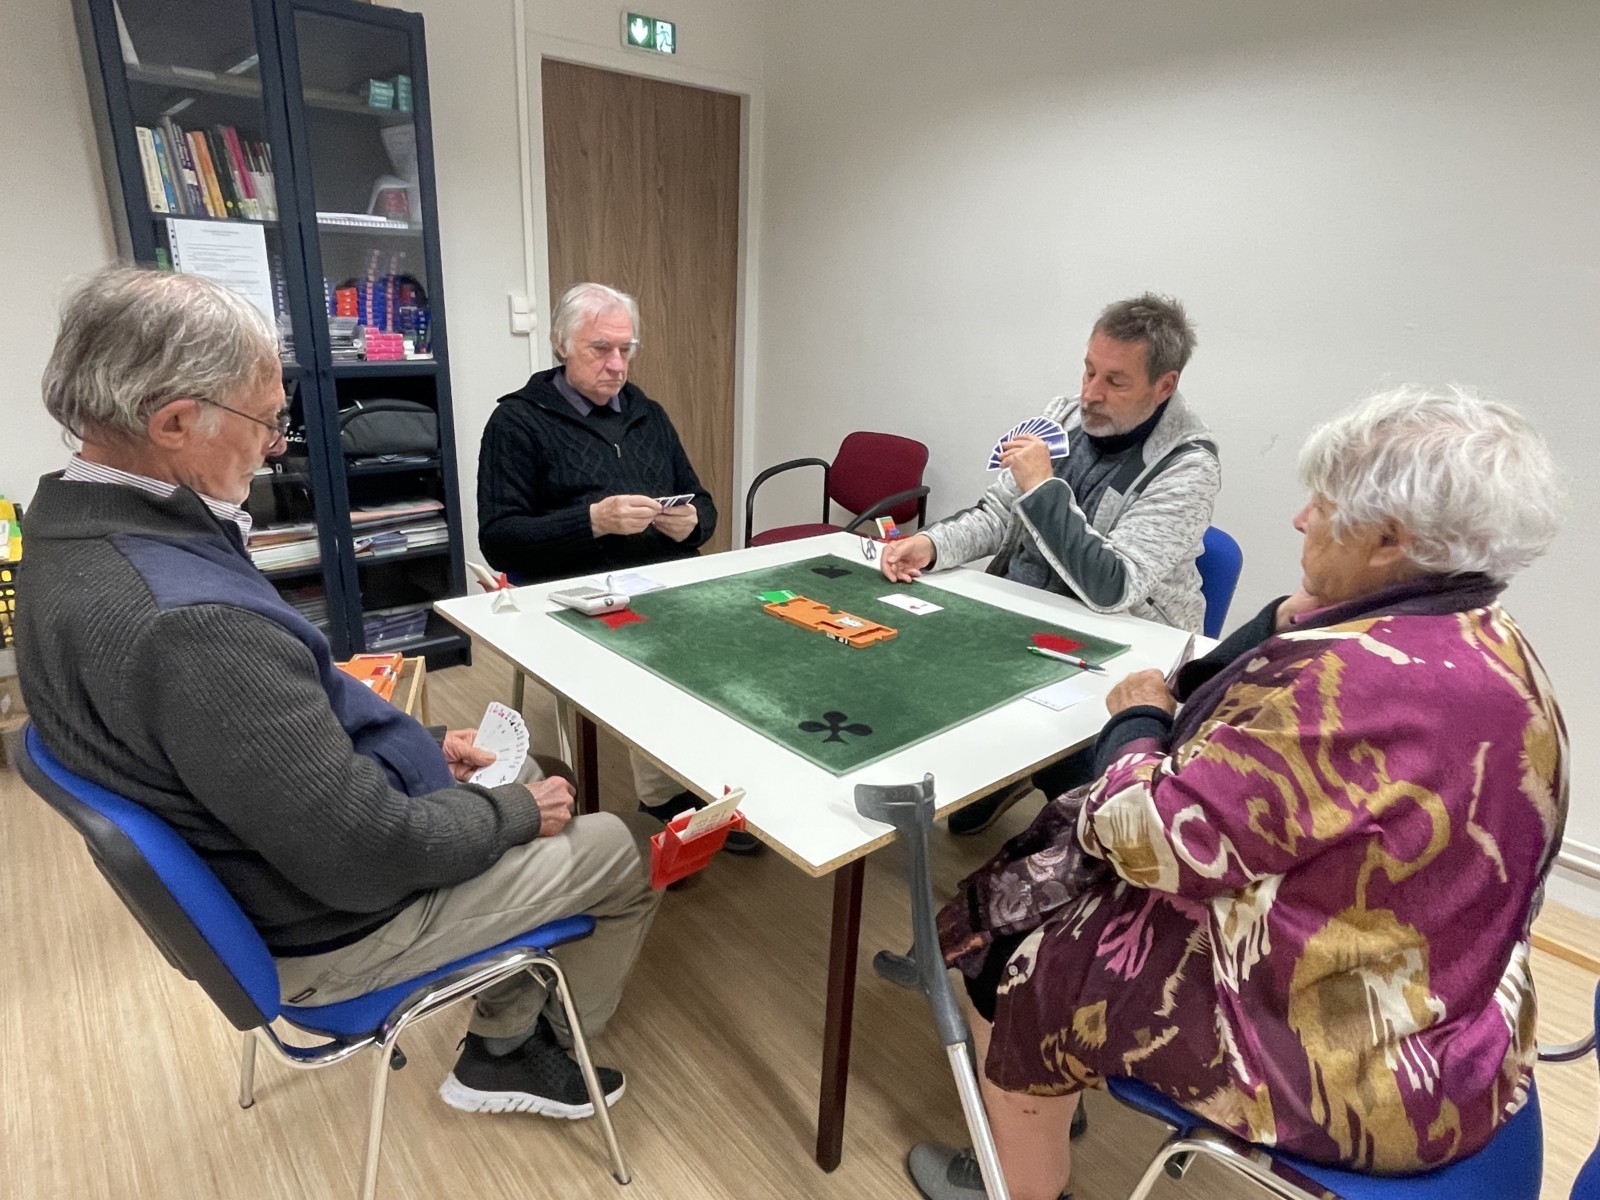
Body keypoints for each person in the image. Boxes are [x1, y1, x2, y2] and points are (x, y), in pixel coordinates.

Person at [18, 267, 661, 1121]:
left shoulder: (65, 532)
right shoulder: (190, 623)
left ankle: (506, 991)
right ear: (172, 422)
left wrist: (420, 749)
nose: (275, 446)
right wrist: (507, 815)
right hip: (329, 924)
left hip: (277, 853)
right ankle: (508, 1053)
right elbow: (363, 855)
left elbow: (266, 737)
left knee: (537, 768)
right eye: (266, 420)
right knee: (625, 844)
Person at [907, 386, 1568, 1200]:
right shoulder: (1498, 644)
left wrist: (1137, 719)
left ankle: (1018, 1176)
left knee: (1011, 944)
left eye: (1323, 504)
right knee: (1039, 880)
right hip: (1454, 1015)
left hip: (1349, 1060)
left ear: (1391, 541)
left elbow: (1144, 837)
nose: (1300, 519)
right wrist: (1286, 618)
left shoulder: (1351, 680)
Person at [883, 294, 1221, 836]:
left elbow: (1113, 586)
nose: (1090, 394)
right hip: (1024, 616)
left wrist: (1042, 487)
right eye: (1089, 370)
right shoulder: (1062, 417)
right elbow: (998, 514)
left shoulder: (1189, 466)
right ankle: (1008, 767)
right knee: (908, 659)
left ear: (1164, 386)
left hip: (1117, 641)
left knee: (1082, 821)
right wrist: (931, 544)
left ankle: (1046, 780)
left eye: (1115, 381)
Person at [477, 282, 758, 853]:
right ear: (561, 344)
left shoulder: (648, 414)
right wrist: (593, 521)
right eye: (600, 349)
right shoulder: (516, 423)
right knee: (651, 657)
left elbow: (702, 505)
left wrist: (692, 524)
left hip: (663, 576)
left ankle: (715, 775)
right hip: (573, 590)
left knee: (745, 639)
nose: (617, 365)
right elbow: (500, 541)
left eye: (626, 349)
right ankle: (665, 798)